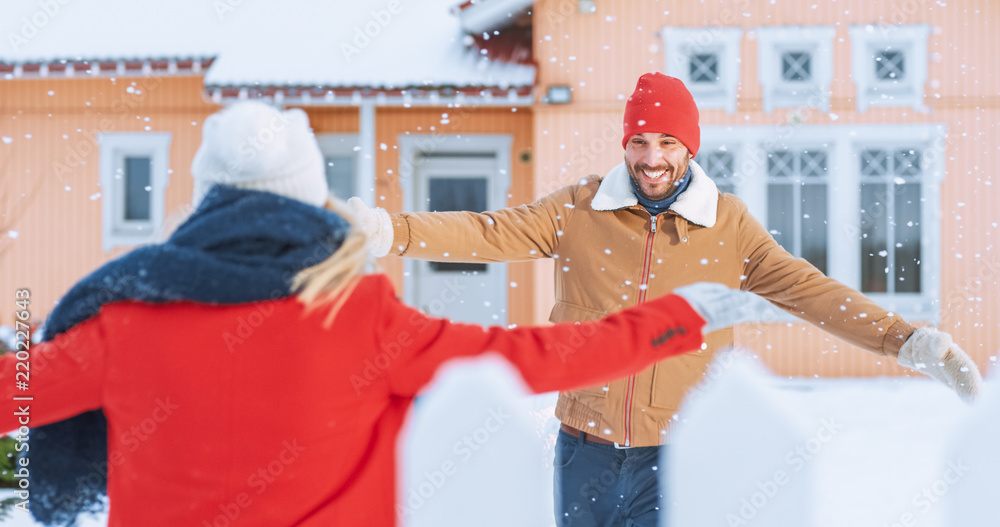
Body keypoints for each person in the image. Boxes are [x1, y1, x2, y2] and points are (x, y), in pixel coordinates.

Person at [0, 101, 768, 527]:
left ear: (209, 197)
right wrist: (673, 318)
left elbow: (13, 389)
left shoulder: (126, 320)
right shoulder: (362, 317)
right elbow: (538, 354)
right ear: (308, 195)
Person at [348, 72, 985, 527]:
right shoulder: (578, 209)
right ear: (625, 144)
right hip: (584, 447)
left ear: (689, 148)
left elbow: (809, 291)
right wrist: (391, 231)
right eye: (639, 142)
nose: (652, 158)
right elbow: (492, 232)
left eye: (667, 143)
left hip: (678, 450)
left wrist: (906, 340)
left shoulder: (728, 225)